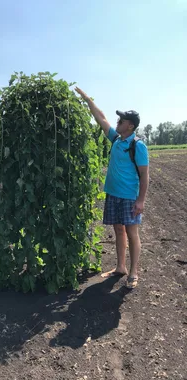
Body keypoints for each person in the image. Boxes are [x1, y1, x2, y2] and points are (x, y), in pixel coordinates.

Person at [75, 87, 149, 289]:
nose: (118, 122)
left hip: (129, 196)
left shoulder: (138, 146)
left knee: (132, 232)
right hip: (114, 194)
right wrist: (86, 98)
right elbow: (101, 117)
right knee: (118, 230)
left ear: (131, 126)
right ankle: (120, 267)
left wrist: (140, 200)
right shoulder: (116, 139)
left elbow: (144, 176)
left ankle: (133, 272)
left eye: (122, 120)